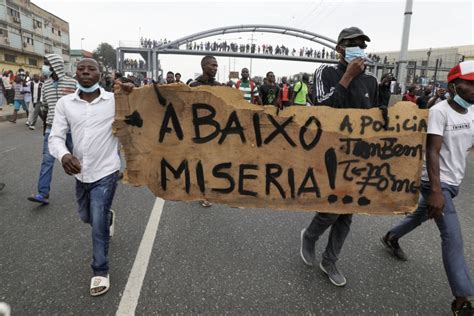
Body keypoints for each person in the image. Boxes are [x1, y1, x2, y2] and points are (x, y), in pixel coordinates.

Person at [381, 61, 474, 315]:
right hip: (435, 181)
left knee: (420, 215)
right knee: (452, 236)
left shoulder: (473, 112)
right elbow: (431, 151)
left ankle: (391, 237)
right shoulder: (440, 112)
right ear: (454, 85)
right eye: (470, 83)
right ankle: (462, 299)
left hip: (454, 181)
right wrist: (434, 190)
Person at [301, 26, 379, 287]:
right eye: (352, 43)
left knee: (348, 213)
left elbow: (373, 118)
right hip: (328, 154)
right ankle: (310, 235)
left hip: (358, 156)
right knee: (333, 209)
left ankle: (330, 260)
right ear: (339, 49)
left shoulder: (371, 81)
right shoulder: (325, 72)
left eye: (362, 44)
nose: (359, 48)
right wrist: (346, 77)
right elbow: (323, 110)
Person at [49, 58, 120, 297]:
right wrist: (64, 155)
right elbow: (55, 137)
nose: (87, 72)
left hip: (107, 170)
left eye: (92, 69)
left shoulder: (115, 101)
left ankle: (100, 270)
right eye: (82, 69)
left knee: (97, 222)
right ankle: (107, 218)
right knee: (87, 216)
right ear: (75, 74)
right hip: (80, 174)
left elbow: (140, 117)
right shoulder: (64, 103)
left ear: (101, 74)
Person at [27, 54, 76, 205]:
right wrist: (46, 125)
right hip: (52, 129)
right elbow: (44, 107)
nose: (45, 67)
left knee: (80, 158)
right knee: (47, 161)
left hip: (71, 130)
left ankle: (93, 185)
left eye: (47, 64)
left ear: (55, 65)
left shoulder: (72, 83)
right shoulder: (46, 85)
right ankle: (43, 193)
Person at [190, 55, 221, 207]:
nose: (215, 68)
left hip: (214, 132)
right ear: (204, 66)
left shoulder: (219, 86)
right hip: (197, 132)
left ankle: (205, 192)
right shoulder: (194, 86)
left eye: (216, 66)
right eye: (212, 65)